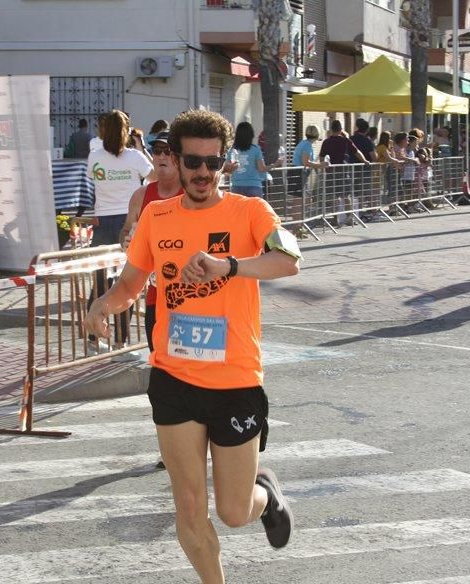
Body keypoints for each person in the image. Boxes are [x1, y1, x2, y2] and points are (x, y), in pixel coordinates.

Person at [85, 109, 299, 583]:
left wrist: (229, 267)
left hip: (236, 380)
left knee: (234, 511)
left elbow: (288, 260)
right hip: (173, 377)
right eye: (193, 161)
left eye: (213, 162)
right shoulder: (156, 217)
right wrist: (102, 305)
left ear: (225, 164)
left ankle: (265, 494)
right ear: (175, 161)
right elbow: (129, 286)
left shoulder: (249, 212)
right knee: (188, 505)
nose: (203, 172)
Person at [87, 109, 155, 355]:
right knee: (127, 282)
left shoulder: (94, 157)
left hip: (102, 222)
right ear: (127, 131)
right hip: (129, 222)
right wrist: (142, 148)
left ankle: (92, 339)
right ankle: (121, 342)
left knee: (99, 283)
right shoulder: (135, 157)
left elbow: (93, 183)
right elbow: (155, 178)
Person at [119, 131, 183, 350]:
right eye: (157, 151)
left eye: (168, 151)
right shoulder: (140, 196)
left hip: (187, 296)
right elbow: (126, 231)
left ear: (179, 157)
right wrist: (127, 240)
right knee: (157, 360)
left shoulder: (192, 194)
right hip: (155, 296)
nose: (161, 157)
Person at [319, 119, 370, 225]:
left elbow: (321, 156)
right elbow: (357, 152)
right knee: (346, 196)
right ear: (341, 129)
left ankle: (335, 218)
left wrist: (323, 166)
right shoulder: (346, 141)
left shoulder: (326, 142)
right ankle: (349, 218)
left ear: (331, 129)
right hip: (344, 171)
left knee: (334, 196)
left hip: (331, 171)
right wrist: (364, 160)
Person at [224, 122, 270, 197]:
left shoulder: (231, 150)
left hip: (236, 186)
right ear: (251, 135)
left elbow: (228, 170)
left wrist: (226, 184)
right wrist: (274, 165)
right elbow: (261, 169)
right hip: (254, 186)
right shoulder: (256, 149)